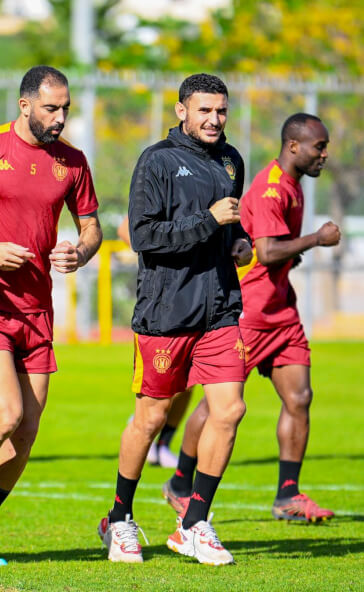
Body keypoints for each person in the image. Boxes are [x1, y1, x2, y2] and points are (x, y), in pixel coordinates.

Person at [0, 65, 102, 566]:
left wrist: (80, 252)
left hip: (37, 308)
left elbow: (91, 226)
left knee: (26, 431)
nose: (61, 117)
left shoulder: (73, 161)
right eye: (52, 107)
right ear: (25, 104)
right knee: (4, 415)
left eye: (66, 108)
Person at [98, 73, 251, 566]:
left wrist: (239, 242)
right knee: (151, 418)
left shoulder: (232, 160)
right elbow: (142, 236)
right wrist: (208, 220)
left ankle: (194, 523)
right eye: (204, 110)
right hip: (167, 313)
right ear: (182, 110)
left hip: (221, 311)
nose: (214, 119)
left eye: (221, 110)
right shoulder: (157, 161)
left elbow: (231, 225)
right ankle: (119, 519)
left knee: (229, 410)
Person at [163, 113, 340, 523]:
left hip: (281, 310)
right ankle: (179, 483)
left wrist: (293, 251)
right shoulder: (270, 188)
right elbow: (265, 251)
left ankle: (288, 495)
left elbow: (278, 249)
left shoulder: (293, 185)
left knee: (299, 398)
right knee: (217, 408)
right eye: (319, 147)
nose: (325, 155)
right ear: (294, 145)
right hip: (250, 311)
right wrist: (316, 239)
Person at [116, 215, 193, 469]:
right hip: (161, 302)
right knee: (163, 384)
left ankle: (163, 445)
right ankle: (141, 427)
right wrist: (162, 252)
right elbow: (125, 228)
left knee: (188, 383)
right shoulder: (159, 182)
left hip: (193, 296)